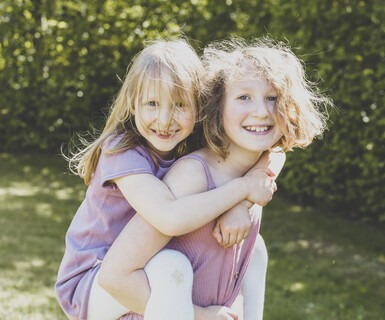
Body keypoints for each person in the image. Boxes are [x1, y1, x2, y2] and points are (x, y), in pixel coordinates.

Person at [100, 37, 330, 320]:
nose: (261, 111)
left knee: (257, 250)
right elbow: (117, 274)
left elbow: (277, 152)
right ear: (216, 106)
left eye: (273, 98)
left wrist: (241, 204)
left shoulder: (258, 169)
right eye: (244, 97)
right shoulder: (193, 175)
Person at [54, 39, 279, 320]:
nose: (164, 119)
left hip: (140, 263)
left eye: (180, 105)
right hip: (93, 281)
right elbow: (169, 218)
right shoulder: (122, 151)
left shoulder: (185, 141)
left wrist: (240, 206)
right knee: (171, 265)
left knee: (255, 247)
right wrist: (244, 189)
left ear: (199, 107)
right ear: (133, 104)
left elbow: (274, 147)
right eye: (152, 103)